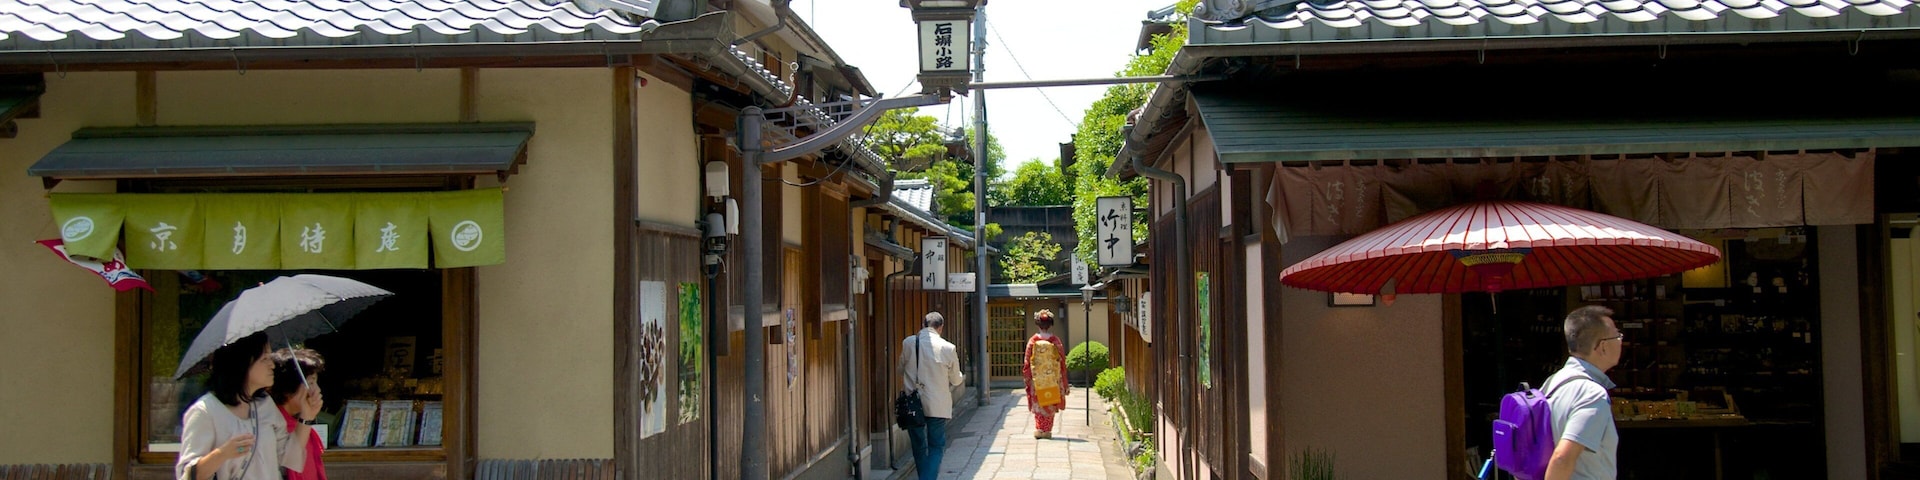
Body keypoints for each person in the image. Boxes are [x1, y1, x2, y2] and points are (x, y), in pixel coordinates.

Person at [176, 332, 311, 480]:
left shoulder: (265, 405)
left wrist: (307, 417)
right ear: (243, 362)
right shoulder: (205, 411)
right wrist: (222, 453)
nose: (272, 365)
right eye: (264, 358)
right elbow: (187, 476)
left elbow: (288, 456)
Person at [1543, 305, 1623, 480]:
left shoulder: (1552, 383)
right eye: (1617, 336)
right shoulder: (1591, 394)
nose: (1620, 341)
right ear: (1602, 347)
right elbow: (1562, 458)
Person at [898, 311, 965, 480]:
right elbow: (956, 380)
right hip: (937, 404)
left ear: (923, 325)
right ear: (940, 327)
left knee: (918, 446)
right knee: (936, 446)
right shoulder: (948, 348)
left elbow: (900, 369)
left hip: (913, 404)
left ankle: (924, 477)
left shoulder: (908, 343)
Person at [270, 348, 329, 480]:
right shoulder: (274, 425)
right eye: (312, 382)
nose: (317, 390)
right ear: (288, 389)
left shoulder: (297, 422)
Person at [1023, 309, 1069, 439]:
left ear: (1038, 324)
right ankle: (1047, 430)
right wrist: (1063, 380)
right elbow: (1061, 360)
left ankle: (1039, 429)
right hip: (1053, 378)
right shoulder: (1055, 341)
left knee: (1039, 404)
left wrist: (1027, 377)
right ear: (1051, 324)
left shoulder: (1033, 341)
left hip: (1037, 378)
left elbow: (1027, 360)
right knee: (1050, 402)